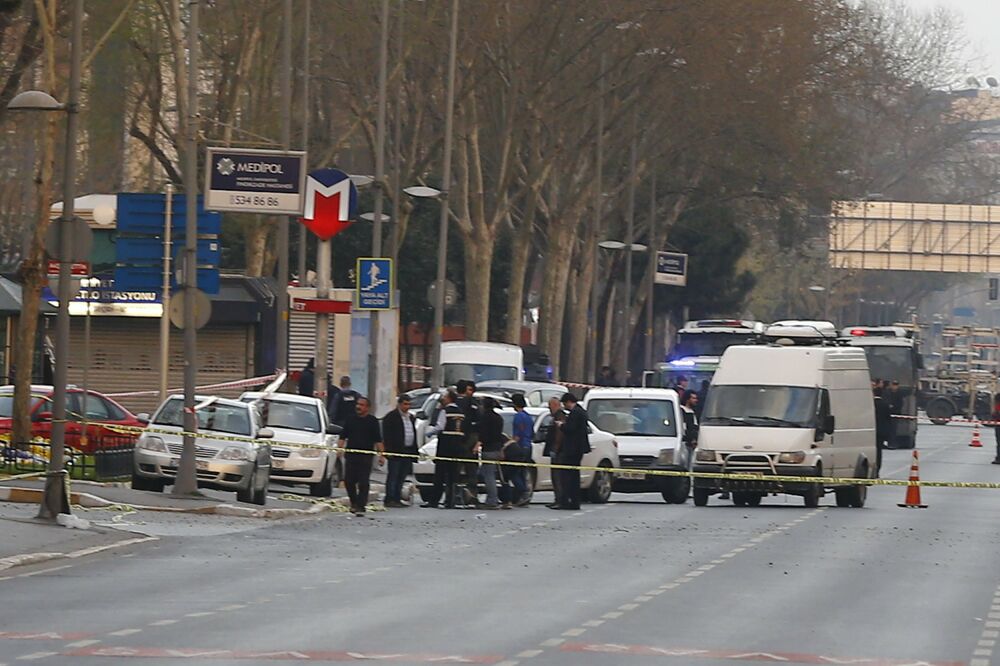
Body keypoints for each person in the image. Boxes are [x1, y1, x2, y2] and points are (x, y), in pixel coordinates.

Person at [339, 397, 384, 516]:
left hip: (366, 457)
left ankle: (361, 505)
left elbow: (378, 440)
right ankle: (354, 502)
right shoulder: (350, 419)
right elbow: (343, 436)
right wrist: (339, 449)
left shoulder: (372, 421)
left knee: (363, 482)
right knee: (349, 481)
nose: (358, 407)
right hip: (351, 455)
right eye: (358, 404)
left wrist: (382, 455)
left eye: (362, 405)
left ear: (367, 408)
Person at [421, 390, 464, 508]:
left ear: (449, 398)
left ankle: (434, 500)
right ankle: (450, 501)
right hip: (457, 446)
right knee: (452, 475)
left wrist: (428, 433)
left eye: (445, 397)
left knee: (440, 474)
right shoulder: (460, 412)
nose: (443, 399)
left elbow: (440, 426)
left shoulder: (445, 411)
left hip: (445, 445)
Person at [555, 393, 590, 510]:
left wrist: (561, 425)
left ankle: (570, 501)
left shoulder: (575, 413)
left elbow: (570, 429)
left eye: (565, 404)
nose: (565, 406)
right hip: (578, 448)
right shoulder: (581, 411)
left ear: (569, 401)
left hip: (573, 449)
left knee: (569, 476)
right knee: (573, 475)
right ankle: (573, 501)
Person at [381, 394, 418, 507]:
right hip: (395, 451)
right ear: (399, 404)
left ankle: (397, 498)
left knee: (402, 476)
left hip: (408, 450)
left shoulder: (411, 417)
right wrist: (388, 451)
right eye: (405, 404)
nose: (407, 406)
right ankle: (390, 498)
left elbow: (412, 433)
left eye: (409, 404)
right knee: (393, 475)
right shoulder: (391, 417)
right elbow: (386, 435)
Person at [502, 393, 533, 508]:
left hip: (520, 447)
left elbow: (518, 435)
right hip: (528, 446)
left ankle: (523, 491)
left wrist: (509, 444)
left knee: (515, 472)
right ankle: (524, 494)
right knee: (523, 471)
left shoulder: (519, 417)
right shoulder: (528, 416)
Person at [476, 396, 506, 509]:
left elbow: (484, 434)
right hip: (497, 448)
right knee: (489, 473)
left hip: (489, 449)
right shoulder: (498, 418)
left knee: (488, 476)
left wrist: (478, 443)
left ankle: (492, 500)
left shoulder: (485, 418)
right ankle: (493, 498)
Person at [456, 380, 480, 505]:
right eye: (469, 389)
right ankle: (461, 495)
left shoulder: (471, 403)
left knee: (468, 469)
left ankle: (469, 495)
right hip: (465, 440)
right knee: (463, 469)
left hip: (467, 440)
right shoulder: (467, 403)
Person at [543, 396, 566, 508]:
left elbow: (559, 434)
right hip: (557, 450)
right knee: (555, 476)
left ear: (556, 405)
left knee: (558, 476)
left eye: (550, 406)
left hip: (559, 451)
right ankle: (557, 499)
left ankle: (560, 500)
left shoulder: (560, 416)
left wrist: (555, 449)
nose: (549, 408)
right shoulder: (556, 416)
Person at [874, 386, 891, 474]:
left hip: (872, 431)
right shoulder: (885, 404)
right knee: (879, 451)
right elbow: (888, 419)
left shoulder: (871, 404)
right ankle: (877, 469)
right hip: (881, 431)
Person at [992, 393, 1000, 465]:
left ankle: (999, 458)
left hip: (999, 425)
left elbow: (996, 414)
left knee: (999, 443)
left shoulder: (998, 405)